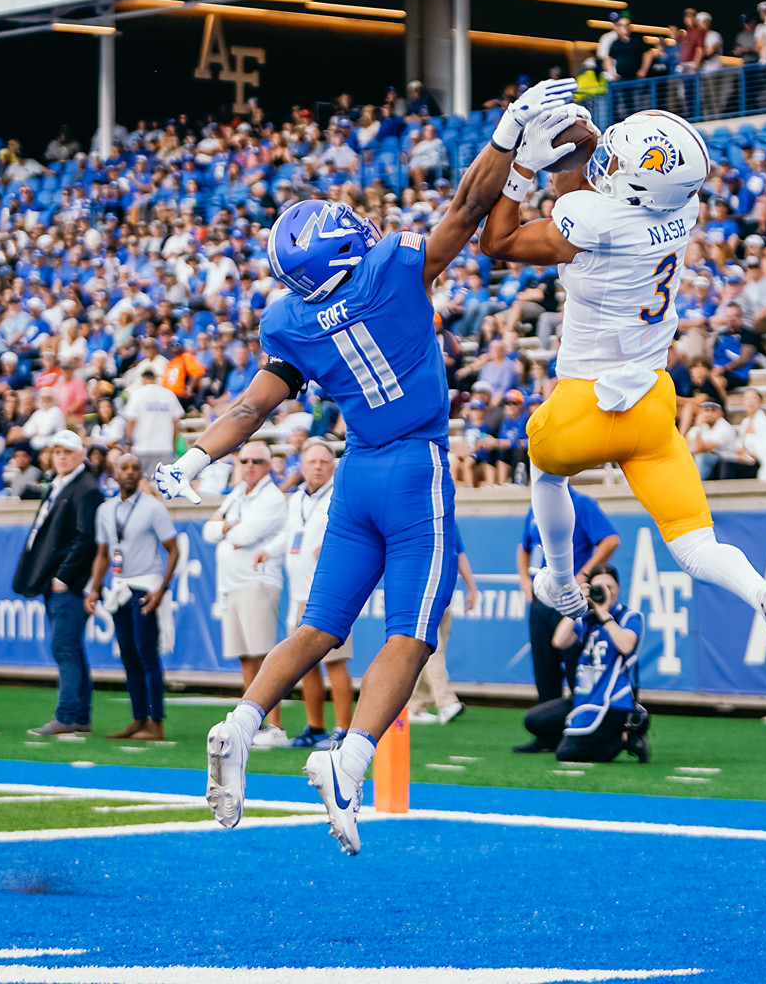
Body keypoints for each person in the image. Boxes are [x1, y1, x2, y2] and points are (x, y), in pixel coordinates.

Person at [154, 76, 581, 854]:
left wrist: (193, 457)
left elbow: (251, 409)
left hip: (355, 474)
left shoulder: (290, 319)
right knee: (413, 633)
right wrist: (510, 131)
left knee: (319, 626)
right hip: (415, 468)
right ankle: (348, 761)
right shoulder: (391, 268)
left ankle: (242, 722)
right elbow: (465, 209)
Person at [479, 107, 766, 679]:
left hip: (583, 403)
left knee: (545, 473)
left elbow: (496, 242)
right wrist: (588, 143)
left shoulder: (592, 218)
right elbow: (613, 181)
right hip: (651, 403)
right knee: (696, 544)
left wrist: (523, 166)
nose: (608, 159)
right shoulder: (682, 205)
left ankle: (559, 578)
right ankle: (763, 595)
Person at [13, 431, 103, 737]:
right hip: (62, 583)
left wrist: (63, 577)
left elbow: (86, 538)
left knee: (65, 648)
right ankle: (78, 716)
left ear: (80, 454)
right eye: (57, 451)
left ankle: (67, 715)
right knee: (71, 649)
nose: (61, 456)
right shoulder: (64, 484)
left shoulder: (86, 489)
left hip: (70, 585)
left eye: (68, 451)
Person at [520, 565, 650, 762]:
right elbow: (559, 641)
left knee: (566, 754)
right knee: (534, 720)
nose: (605, 591)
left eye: (610, 587)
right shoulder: (587, 618)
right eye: (598, 587)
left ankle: (625, 736)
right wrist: (576, 607)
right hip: (583, 697)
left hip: (613, 700)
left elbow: (626, 645)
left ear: (619, 588)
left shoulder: (628, 616)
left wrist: (605, 613)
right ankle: (581, 736)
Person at [513, 482, 619, 723]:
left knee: (574, 664)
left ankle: (580, 724)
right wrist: (523, 578)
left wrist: (583, 574)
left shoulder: (581, 503)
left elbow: (610, 539)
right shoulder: (536, 505)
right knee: (544, 664)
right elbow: (524, 546)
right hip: (540, 598)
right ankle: (547, 729)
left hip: (569, 597)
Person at [207, 441, 291, 746]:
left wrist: (227, 528)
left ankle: (276, 726)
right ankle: (250, 720)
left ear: (268, 466)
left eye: (257, 461)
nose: (250, 465)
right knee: (246, 657)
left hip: (258, 581)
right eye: (244, 460)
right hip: (232, 583)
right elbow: (209, 531)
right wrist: (230, 526)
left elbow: (246, 534)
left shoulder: (271, 497)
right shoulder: (237, 495)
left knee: (264, 655)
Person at [95, 451, 181, 742]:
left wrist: (162, 589)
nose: (130, 472)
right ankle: (137, 719)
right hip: (119, 588)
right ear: (115, 473)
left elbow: (174, 549)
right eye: (124, 467)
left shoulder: (153, 508)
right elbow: (103, 554)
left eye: (135, 468)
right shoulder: (105, 510)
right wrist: (94, 588)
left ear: (140, 474)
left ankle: (156, 723)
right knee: (129, 657)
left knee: (147, 655)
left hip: (145, 587)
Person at [282, 440, 352, 749]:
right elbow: (286, 538)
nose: (319, 466)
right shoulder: (296, 499)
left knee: (335, 661)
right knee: (304, 664)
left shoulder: (342, 496)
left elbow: (356, 533)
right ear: (302, 466)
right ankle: (315, 726)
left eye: (324, 461)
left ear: (333, 466)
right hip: (298, 592)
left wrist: (336, 547)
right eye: (312, 461)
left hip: (330, 594)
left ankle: (344, 729)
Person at [411, 538, 481, 726]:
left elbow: (459, 553)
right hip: (421, 593)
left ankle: (415, 705)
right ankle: (446, 701)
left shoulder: (447, 515)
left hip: (443, 595)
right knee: (432, 648)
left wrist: (472, 588)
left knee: (427, 650)